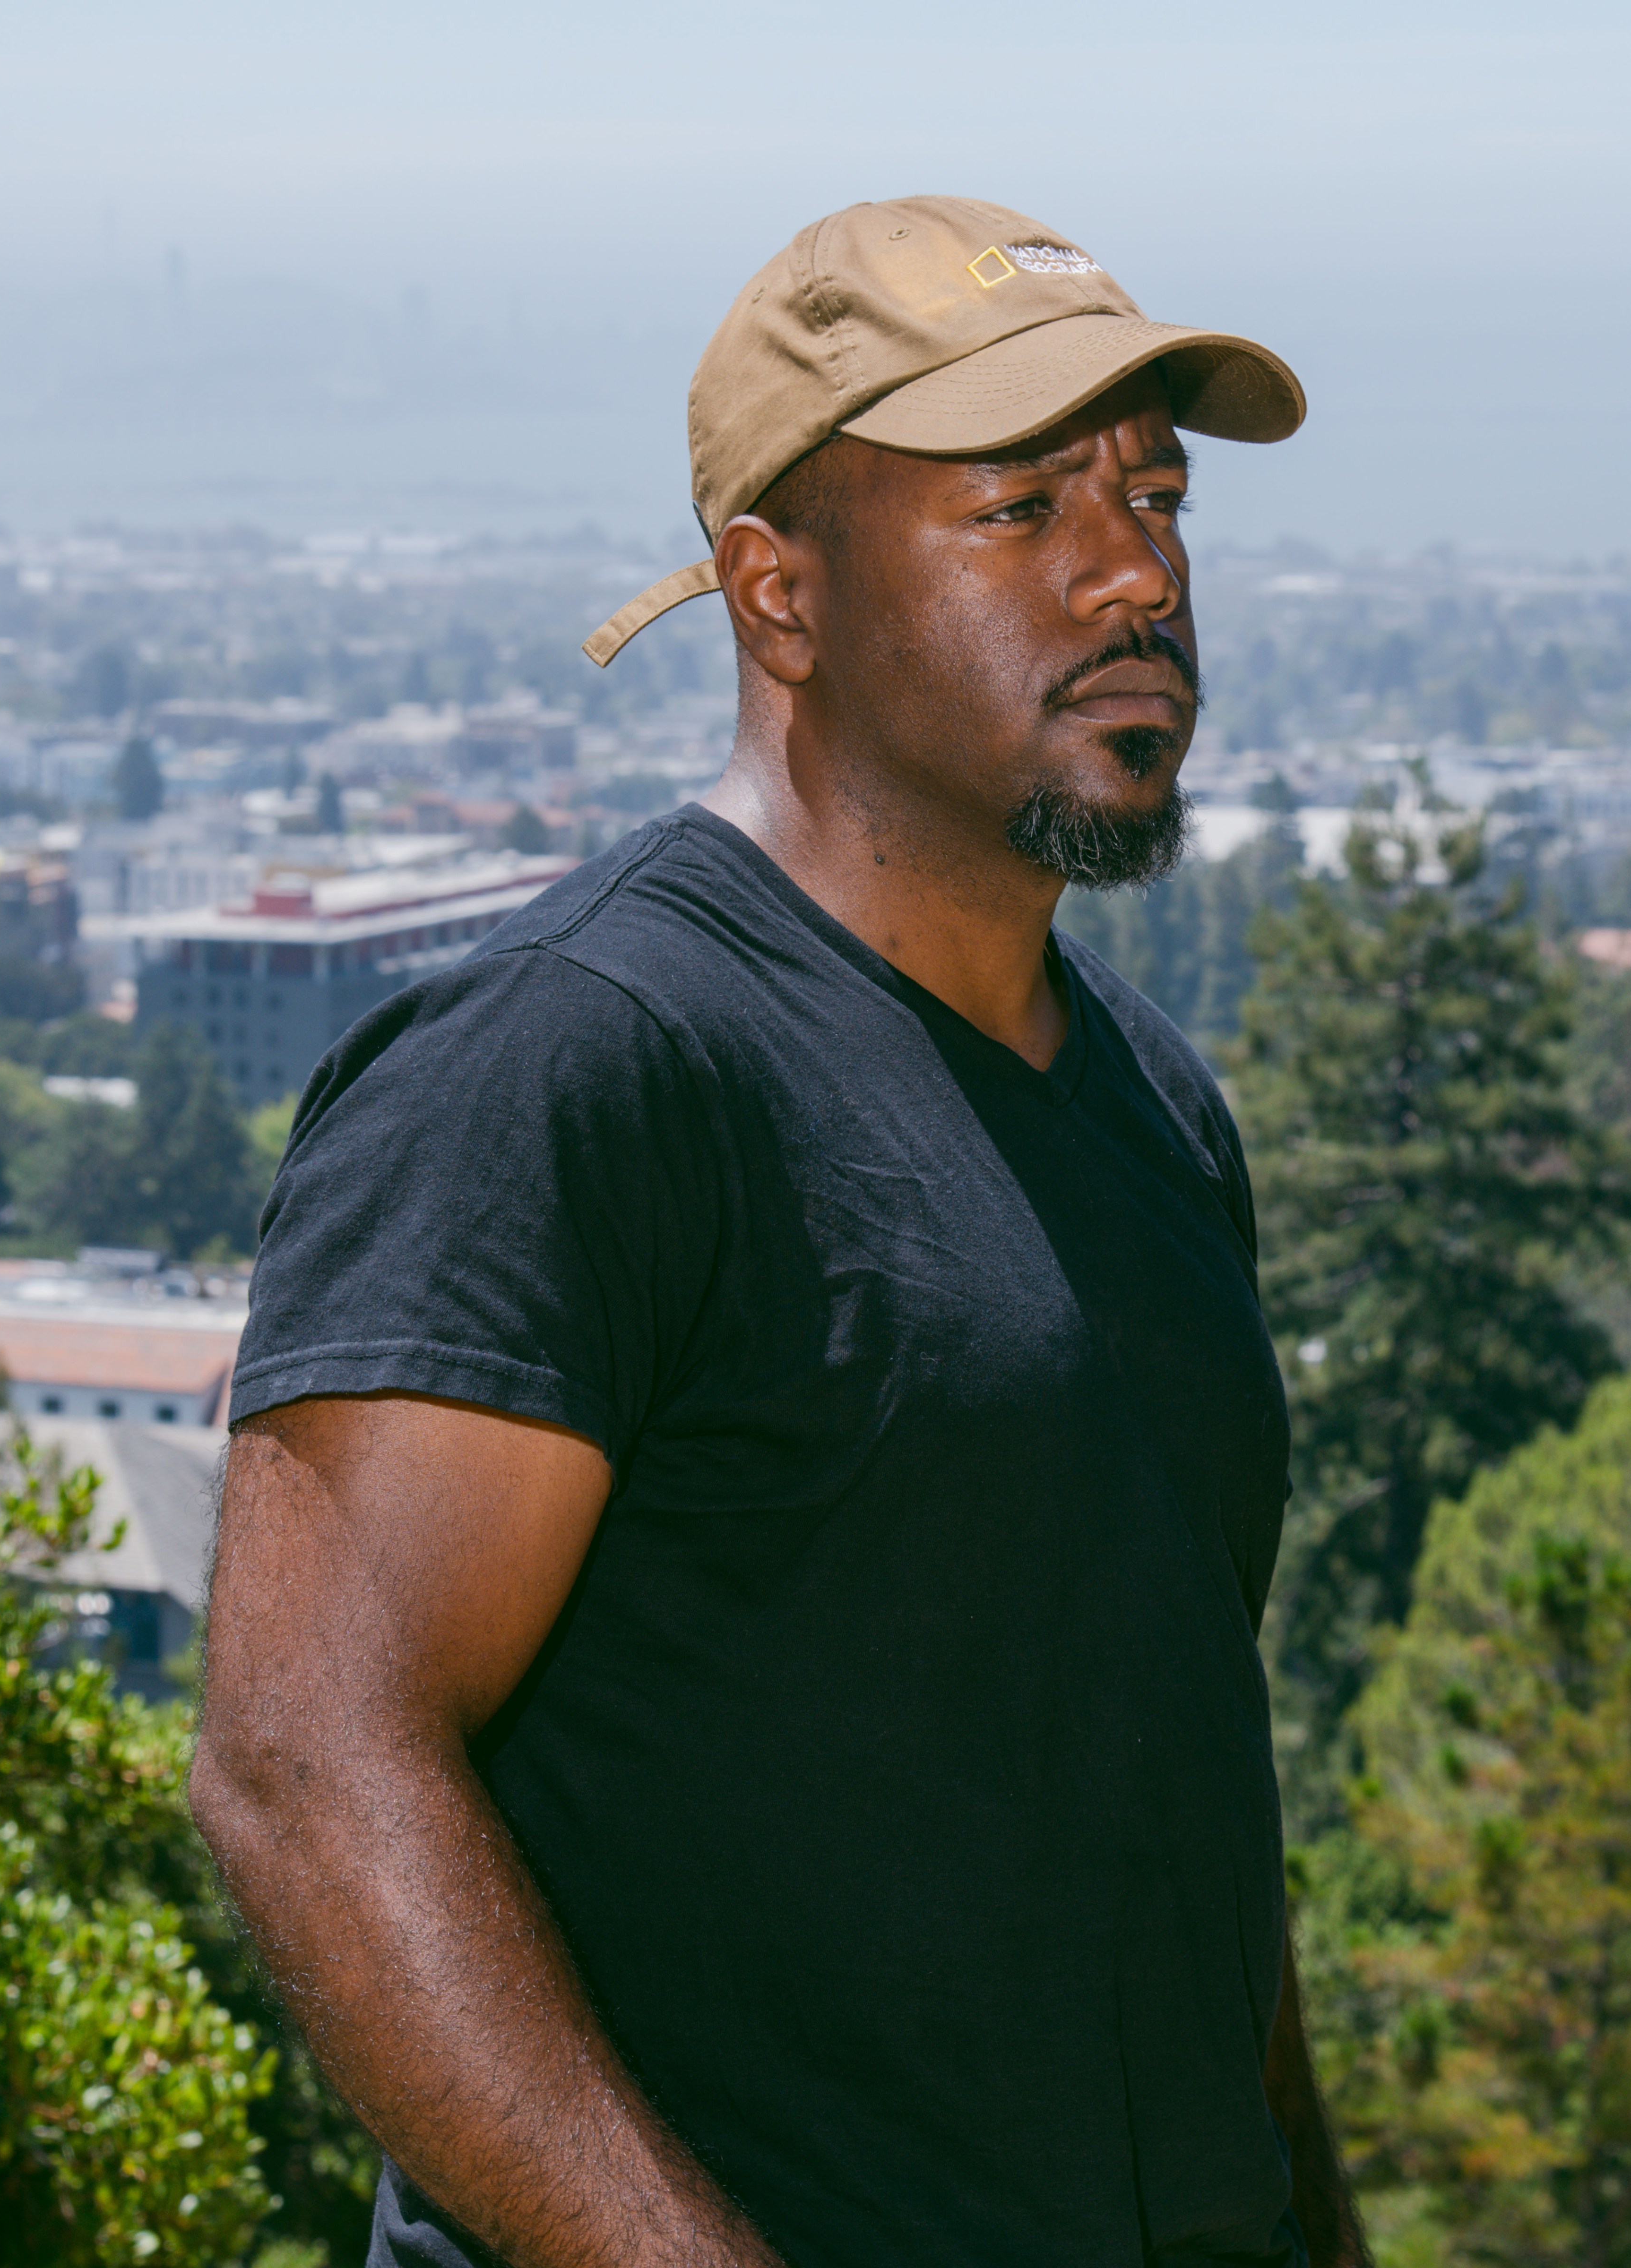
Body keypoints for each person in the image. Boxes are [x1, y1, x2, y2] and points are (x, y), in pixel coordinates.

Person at [192, 195, 1368, 2268]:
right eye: (1021, 512)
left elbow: (1172, 1799)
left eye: (1158, 495)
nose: (1138, 570)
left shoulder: (1161, 1111)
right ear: (778, 594)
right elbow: (306, 1767)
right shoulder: (571, 1073)